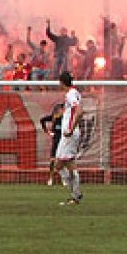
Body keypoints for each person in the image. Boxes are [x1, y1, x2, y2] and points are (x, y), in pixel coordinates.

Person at [54, 71, 83, 206]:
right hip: (68, 133)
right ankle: (75, 193)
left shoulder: (71, 94)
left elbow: (79, 111)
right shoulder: (73, 92)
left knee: (68, 163)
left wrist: (71, 128)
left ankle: (76, 195)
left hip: (69, 134)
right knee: (58, 165)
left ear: (61, 82)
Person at [38, 101, 64, 186]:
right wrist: (47, 131)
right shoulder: (53, 117)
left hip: (64, 140)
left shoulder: (66, 118)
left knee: (63, 160)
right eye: (61, 109)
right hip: (56, 140)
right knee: (53, 160)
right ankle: (50, 178)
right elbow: (42, 120)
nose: (62, 110)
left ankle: (63, 179)